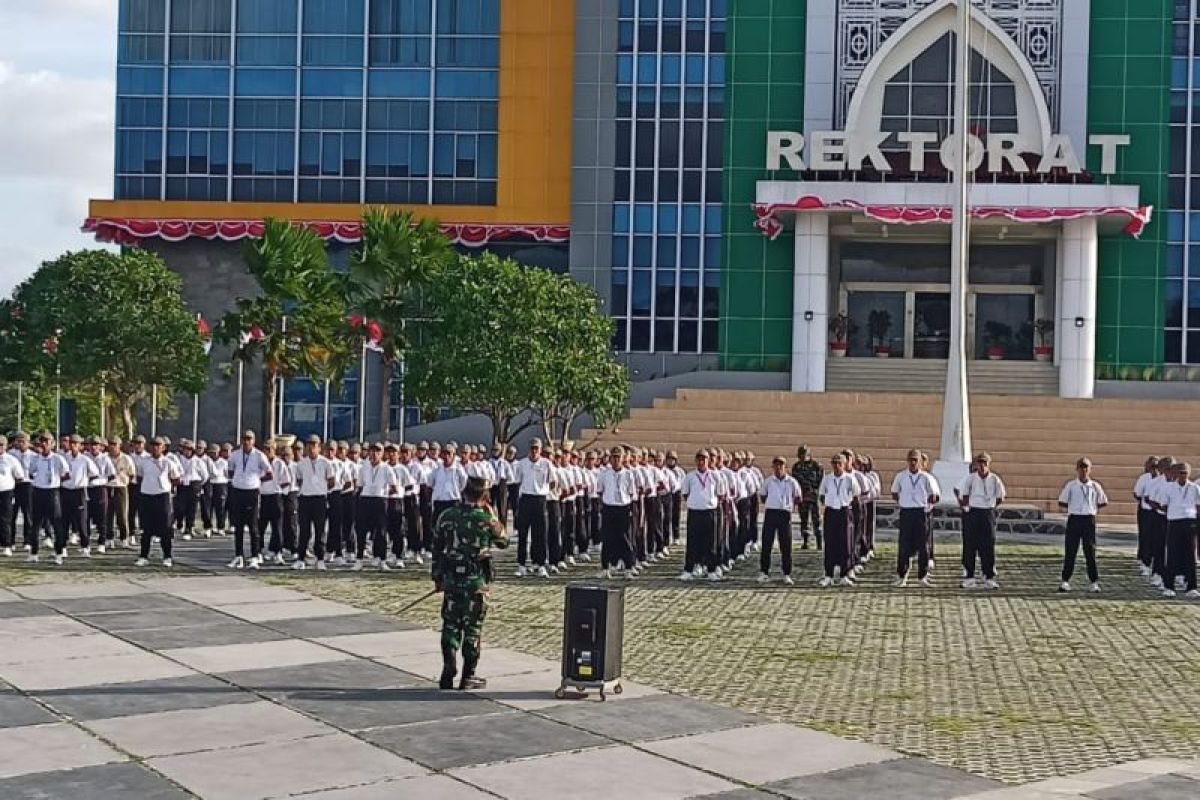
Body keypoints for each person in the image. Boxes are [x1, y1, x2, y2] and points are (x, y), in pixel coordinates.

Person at [432, 476, 508, 690]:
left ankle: (448, 667)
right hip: (476, 581)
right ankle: (468, 675)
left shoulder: (447, 516)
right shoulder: (484, 519)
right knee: (473, 628)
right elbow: (503, 541)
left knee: (450, 625)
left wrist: (437, 577)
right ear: (484, 496)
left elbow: (437, 548)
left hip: (452, 580)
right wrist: (493, 515)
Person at [955, 452, 1007, 589]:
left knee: (988, 545)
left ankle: (988, 576)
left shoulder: (995, 479)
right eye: (980, 463)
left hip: (987, 512)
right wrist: (966, 507)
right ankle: (970, 576)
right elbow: (963, 494)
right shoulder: (971, 479)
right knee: (970, 545)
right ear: (976, 464)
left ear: (989, 464)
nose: (982, 466)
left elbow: (1000, 496)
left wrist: (991, 506)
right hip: (973, 512)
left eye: (985, 463)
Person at [1057, 457, 1108, 593]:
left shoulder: (1095, 486)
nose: (1083, 470)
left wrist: (1092, 509)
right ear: (1077, 469)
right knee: (1071, 551)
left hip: (1088, 519)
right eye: (1081, 467)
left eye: (1086, 467)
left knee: (1090, 551)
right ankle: (1065, 580)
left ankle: (1093, 581)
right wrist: (1073, 508)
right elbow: (1062, 501)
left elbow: (1103, 501)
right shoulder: (1071, 485)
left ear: (1090, 469)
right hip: (1074, 519)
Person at [891, 449, 939, 587]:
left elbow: (934, 495)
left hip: (920, 512)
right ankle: (902, 575)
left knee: (923, 545)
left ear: (920, 462)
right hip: (906, 511)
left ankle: (922, 576)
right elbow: (895, 492)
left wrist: (927, 502)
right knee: (904, 545)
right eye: (910, 460)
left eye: (915, 460)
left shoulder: (926, 477)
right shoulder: (901, 476)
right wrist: (904, 501)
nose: (913, 463)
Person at [1152, 461, 1200, 599]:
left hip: (1189, 521)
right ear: (1176, 474)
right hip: (1174, 522)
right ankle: (1169, 586)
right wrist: (1171, 512)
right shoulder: (1169, 488)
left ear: (1188, 474)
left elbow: (1198, 505)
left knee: (1190, 555)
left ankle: (1191, 586)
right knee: (1172, 554)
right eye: (1180, 473)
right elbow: (1163, 504)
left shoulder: (1194, 488)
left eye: (1185, 473)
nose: (1183, 476)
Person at [226, 430, 273, 570]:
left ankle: (254, 556)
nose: (246, 441)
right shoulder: (234, 455)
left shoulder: (259, 455)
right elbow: (230, 471)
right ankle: (238, 556)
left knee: (253, 526)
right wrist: (238, 479)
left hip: (252, 492)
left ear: (253, 440)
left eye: (249, 439)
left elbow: (270, 473)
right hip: (238, 491)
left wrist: (258, 480)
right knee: (238, 526)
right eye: (244, 438)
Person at [136, 437, 182, 568]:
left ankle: (167, 556)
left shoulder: (168, 462)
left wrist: (165, 486)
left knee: (165, 528)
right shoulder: (144, 462)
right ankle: (144, 556)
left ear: (163, 447)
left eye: (158, 445)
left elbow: (176, 479)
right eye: (153, 445)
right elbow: (139, 477)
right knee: (146, 528)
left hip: (162, 496)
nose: (155, 447)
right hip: (147, 496)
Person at [512, 438, 552, 577]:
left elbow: (551, 482)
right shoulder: (522, 464)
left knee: (540, 534)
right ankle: (521, 564)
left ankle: (540, 564)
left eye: (536, 448)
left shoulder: (546, 464)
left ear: (540, 450)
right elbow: (518, 481)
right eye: (532, 448)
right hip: (526, 499)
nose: (534, 451)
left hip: (540, 499)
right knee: (522, 534)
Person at [758, 456, 801, 584]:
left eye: (781, 466)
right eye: (776, 465)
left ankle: (786, 573)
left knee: (786, 545)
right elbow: (763, 495)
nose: (778, 468)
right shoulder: (768, 481)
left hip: (785, 513)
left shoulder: (792, 482)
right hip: (771, 512)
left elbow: (798, 496)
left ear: (785, 467)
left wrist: (789, 505)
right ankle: (764, 571)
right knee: (767, 543)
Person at [294, 434, 335, 570]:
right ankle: (300, 558)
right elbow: (299, 480)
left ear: (319, 447)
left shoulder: (325, 463)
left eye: (314, 445)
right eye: (309, 445)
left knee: (320, 530)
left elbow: (331, 481)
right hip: (305, 498)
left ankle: (320, 559)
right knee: (304, 530)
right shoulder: (301, 463)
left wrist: (321, 488)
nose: (312, 448)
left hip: (319, 499)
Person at [680, 449, 721, 582]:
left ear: (708, 461)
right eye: (699, 459)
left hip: (710, 511)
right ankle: (689, 569)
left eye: (704, 459)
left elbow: (720, 493)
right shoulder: (690, 476)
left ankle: (711, 570)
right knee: (692, 542)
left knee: (711, 542)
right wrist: (695, 502)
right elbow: (685, 493)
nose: (701, 462)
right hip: (695, 512)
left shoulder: (715, 476)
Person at [357, 442, 398, 572]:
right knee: (362, 531)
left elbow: (394, 487)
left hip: (380, 500)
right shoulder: (363, 467)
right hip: (366, 499)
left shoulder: (387, 468)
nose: (374, 454)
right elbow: (360, 484)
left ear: (382, 453)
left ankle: (382, 560)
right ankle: (359, 560)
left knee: (381, 531)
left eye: (378, 451)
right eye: (372, 451)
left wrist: (383, 493)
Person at [818, 453, 856, 586]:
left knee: (845, 542)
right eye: (834, 463)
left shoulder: (850, 479)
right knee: (829, 542)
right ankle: (828, 574)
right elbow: (822, 495)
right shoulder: (827, 479)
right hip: (831, 511)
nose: (836, 466)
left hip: (844, 510)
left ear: (844, 464)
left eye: (839, 463)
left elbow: (855, 494)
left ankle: (844, 574)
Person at [599, 446, 638, 579]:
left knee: (625, 538)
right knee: (607, 538)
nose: (616, 460)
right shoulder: (604, 473)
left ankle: (628, 567)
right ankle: (605, 567)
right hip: (609, 507)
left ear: (622, 459)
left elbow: (632, 493)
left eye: (618, 457)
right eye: (613, 457)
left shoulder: (628, 474)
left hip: (623, 507)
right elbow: (600, 490)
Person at [0, 436, 29, 557]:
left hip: (6, 491)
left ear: (6, 446)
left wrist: (10, 484)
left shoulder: (11, 460)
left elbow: (20, 476)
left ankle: (7, 545)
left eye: (1, 445)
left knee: (6, 519)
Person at [107, 437, 137, 549]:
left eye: (115, 444)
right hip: (108, 487)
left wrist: (124, 480)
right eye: (111, 444)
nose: (112, 447)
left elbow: (132, 473)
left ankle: (124, 538)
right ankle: (109, 538)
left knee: (122, 515)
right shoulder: (106, 458)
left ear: (120, 445)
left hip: (121, 487)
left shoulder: (126, 458)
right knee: (108, 515)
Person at [792, 445, 823, 550]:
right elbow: (795, 481)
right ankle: (806, 542)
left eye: (804, 454)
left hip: (813, 496)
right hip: (802, 497)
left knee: (816, 520)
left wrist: (812, 488)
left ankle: (819, 542)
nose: (802, 457)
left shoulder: (816, 466)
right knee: (804, 520)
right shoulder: (796, 466)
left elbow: (820, 480)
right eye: (801, 455)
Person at [1132, 456, 1160, 578]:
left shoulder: (1163, 479)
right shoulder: (1144, 478)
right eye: (1152, 466)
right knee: (1145, 536)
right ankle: (1145, 561)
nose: (1154, 469)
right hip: (1146, 511)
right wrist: (1146, 501)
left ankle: (1155, 561)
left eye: (1156, 467)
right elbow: (1137, 494)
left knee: (1157, 537)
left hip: (1158, 512)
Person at [208, 443, 230, 536]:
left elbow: (227, 474)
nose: (213, 455)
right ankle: (209, 527)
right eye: (211, 453)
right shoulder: (208, 461)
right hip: (210, 484)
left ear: (218, 452)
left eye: (215, 453)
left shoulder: (223, 462)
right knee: (209, 506)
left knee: (220, 507)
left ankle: (221, 527)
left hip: (221, 484)